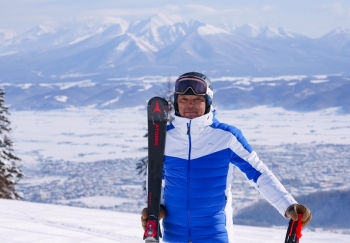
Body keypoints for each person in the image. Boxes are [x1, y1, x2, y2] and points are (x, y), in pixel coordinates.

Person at [141, 72, 312, 243]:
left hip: (215, 234)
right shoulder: (163, 138)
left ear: (207, 102)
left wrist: (288, 205)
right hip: (173, 235)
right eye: (184, 100)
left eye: (197, 100)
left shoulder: (226, 137)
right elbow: (158, 183)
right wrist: (157, 210)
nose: (189, 105)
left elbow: (259, 173)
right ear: (177, 103)